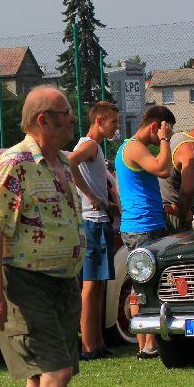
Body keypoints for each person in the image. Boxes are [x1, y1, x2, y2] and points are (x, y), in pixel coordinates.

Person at [0, 86, 92, 387]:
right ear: (42, 120)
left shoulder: (61, 162)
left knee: (38, 378)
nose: (71, 119)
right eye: (64, 113)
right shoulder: (15, 165)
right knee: (56, 373)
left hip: (62, 284)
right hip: (25, 284)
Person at [116, 105, 177, 359]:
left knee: (140, 286)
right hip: (143, 227)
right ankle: (148, 343)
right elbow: (164, 169)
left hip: (143, 224)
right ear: (155, 126)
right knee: (150, 287)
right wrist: (164, 141)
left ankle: (144, 345)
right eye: (164, 132)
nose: (164, 138)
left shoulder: (129, 148)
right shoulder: (133, 147)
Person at [68, 101, 121, 360]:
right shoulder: (88, 144)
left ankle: (97, 341)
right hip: (91, 222)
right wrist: (91, 196)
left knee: (99, 284)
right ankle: (89, 345)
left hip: (99, 219)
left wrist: (106, 202)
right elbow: (70, 163)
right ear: (99, 121)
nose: (117, 127)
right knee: (91, 285)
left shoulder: (95, 148)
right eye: (113, 122)